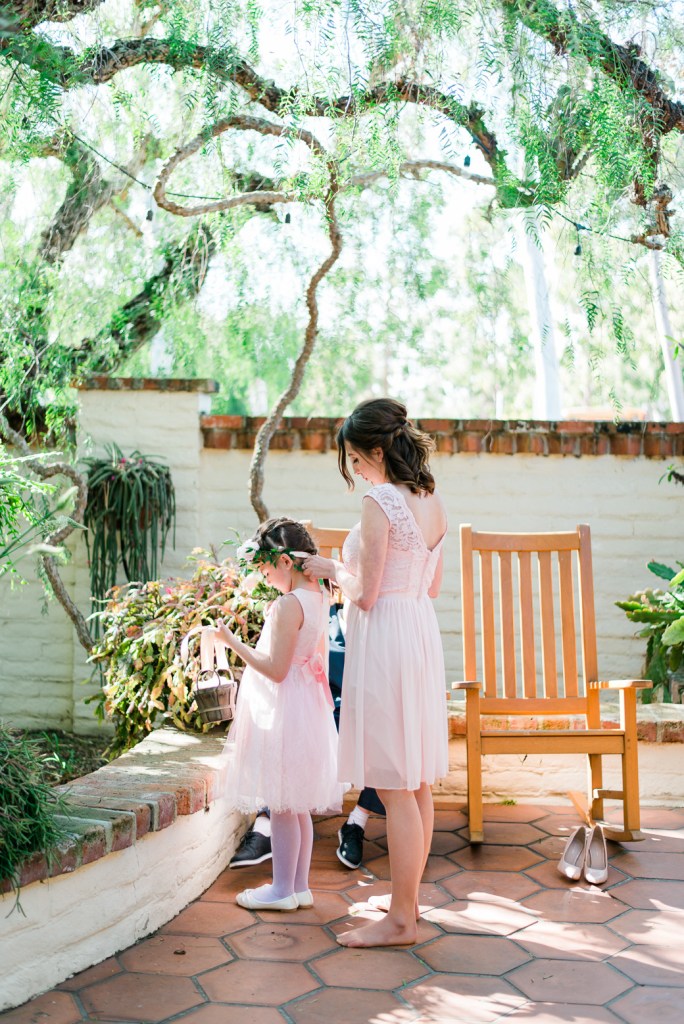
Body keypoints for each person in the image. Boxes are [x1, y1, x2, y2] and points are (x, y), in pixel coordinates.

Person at [303, 398, 448, 947]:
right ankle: (409, 902)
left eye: (356, 459)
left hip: (386, 637)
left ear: (377, 452)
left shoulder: (380, 500)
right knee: (415, 780)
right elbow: (433, 586)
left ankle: (402, 921)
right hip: (418, 630)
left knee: (393, 785)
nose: (356, 470)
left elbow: (363, 595)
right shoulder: (431, 498)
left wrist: (329, 567)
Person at [213, 517, 345, 911]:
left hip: (287, 709)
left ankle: (282, 889)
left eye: (267, 570)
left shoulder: (290, 604)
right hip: (306, 706)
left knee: (284, 805)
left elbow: (276, 669)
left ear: (286, 561)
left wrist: (231, 642)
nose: (266, 578)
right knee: (296, 805)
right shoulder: (318, 595)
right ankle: (299, 887)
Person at [328, 599, 386, 870]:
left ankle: (356, 822)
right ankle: (268, 821)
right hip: (329, 712)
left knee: (389, 737)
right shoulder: (323, 617)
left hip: (370, 712)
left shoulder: (384, 624)